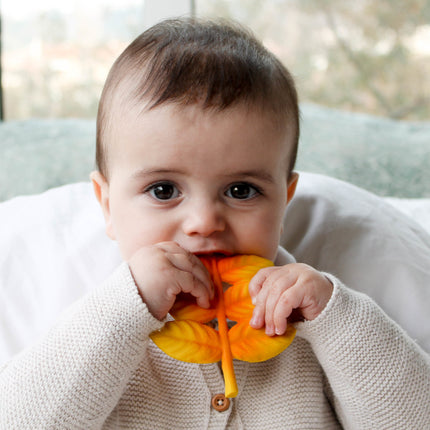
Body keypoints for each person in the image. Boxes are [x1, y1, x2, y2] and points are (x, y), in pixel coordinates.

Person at [1, 17, 429, 429]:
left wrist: (339, 318)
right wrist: (125, 309)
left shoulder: (308, 319)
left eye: (241, 190)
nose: (204, 222)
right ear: (108, 205)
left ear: (284, 201)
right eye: (164, 190)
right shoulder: (103, 329)